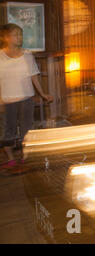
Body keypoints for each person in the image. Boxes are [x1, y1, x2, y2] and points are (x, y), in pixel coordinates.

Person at [0, 23, 53, 172]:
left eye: (20, 34)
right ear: (5, 37)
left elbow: (34, 77)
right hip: (6, 100)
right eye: (15, 34)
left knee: (27, 131)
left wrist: (43, 94)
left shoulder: (27, 55)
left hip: (26, 98)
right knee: (7, 132)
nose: (19, 37)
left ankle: (25, 158)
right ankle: (11, 160)